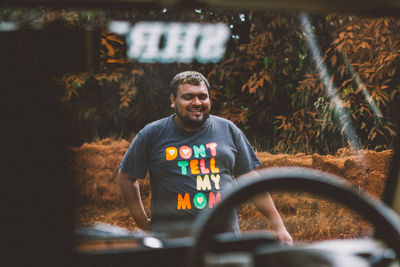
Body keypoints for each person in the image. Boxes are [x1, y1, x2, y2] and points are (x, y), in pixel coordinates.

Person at [118, 71, 293, 245]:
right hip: (173, 245)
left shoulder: (228, 130)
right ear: (173, 100)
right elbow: (126, 177)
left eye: (203, 96)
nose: (197, 102)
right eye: (188, 97)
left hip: (224, 240)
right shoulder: (152, 134)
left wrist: (279, 226)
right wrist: (142, 223)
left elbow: (250, 180)